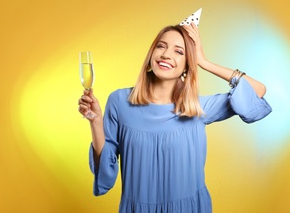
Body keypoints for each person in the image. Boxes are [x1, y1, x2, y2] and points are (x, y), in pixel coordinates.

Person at [78, 21, 272, 212]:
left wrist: (204, 62)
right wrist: (95, 122)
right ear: (150, 56)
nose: (166, 54)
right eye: (161, 46)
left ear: (188, 65)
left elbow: (258, 90)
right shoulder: (119, 101)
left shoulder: (197, 108)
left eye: (179, 52)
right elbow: (105, 170)